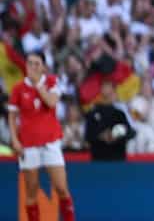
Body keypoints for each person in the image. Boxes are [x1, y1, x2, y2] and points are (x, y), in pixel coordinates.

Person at [7, 52, 76, 221]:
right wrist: (15, 140)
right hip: (28, 144)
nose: (32, 67)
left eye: (36, 64)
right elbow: (12, 116)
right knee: (31, 190)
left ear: (43, 67)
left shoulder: (52, 81)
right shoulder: (18, 88)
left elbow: (51, 102)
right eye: (29, 63)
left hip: (50, 142)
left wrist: (38, 84)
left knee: (61, 187)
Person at [84, 80, 136, 161]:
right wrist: (101, 136)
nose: (106, 90)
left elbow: (130, 132)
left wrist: (116, 135)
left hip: (117, 159)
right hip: (98, 160)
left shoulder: (119, 114)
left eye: (109, 87)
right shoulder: (93, 113)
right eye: (104, 87)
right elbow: (88, 136)